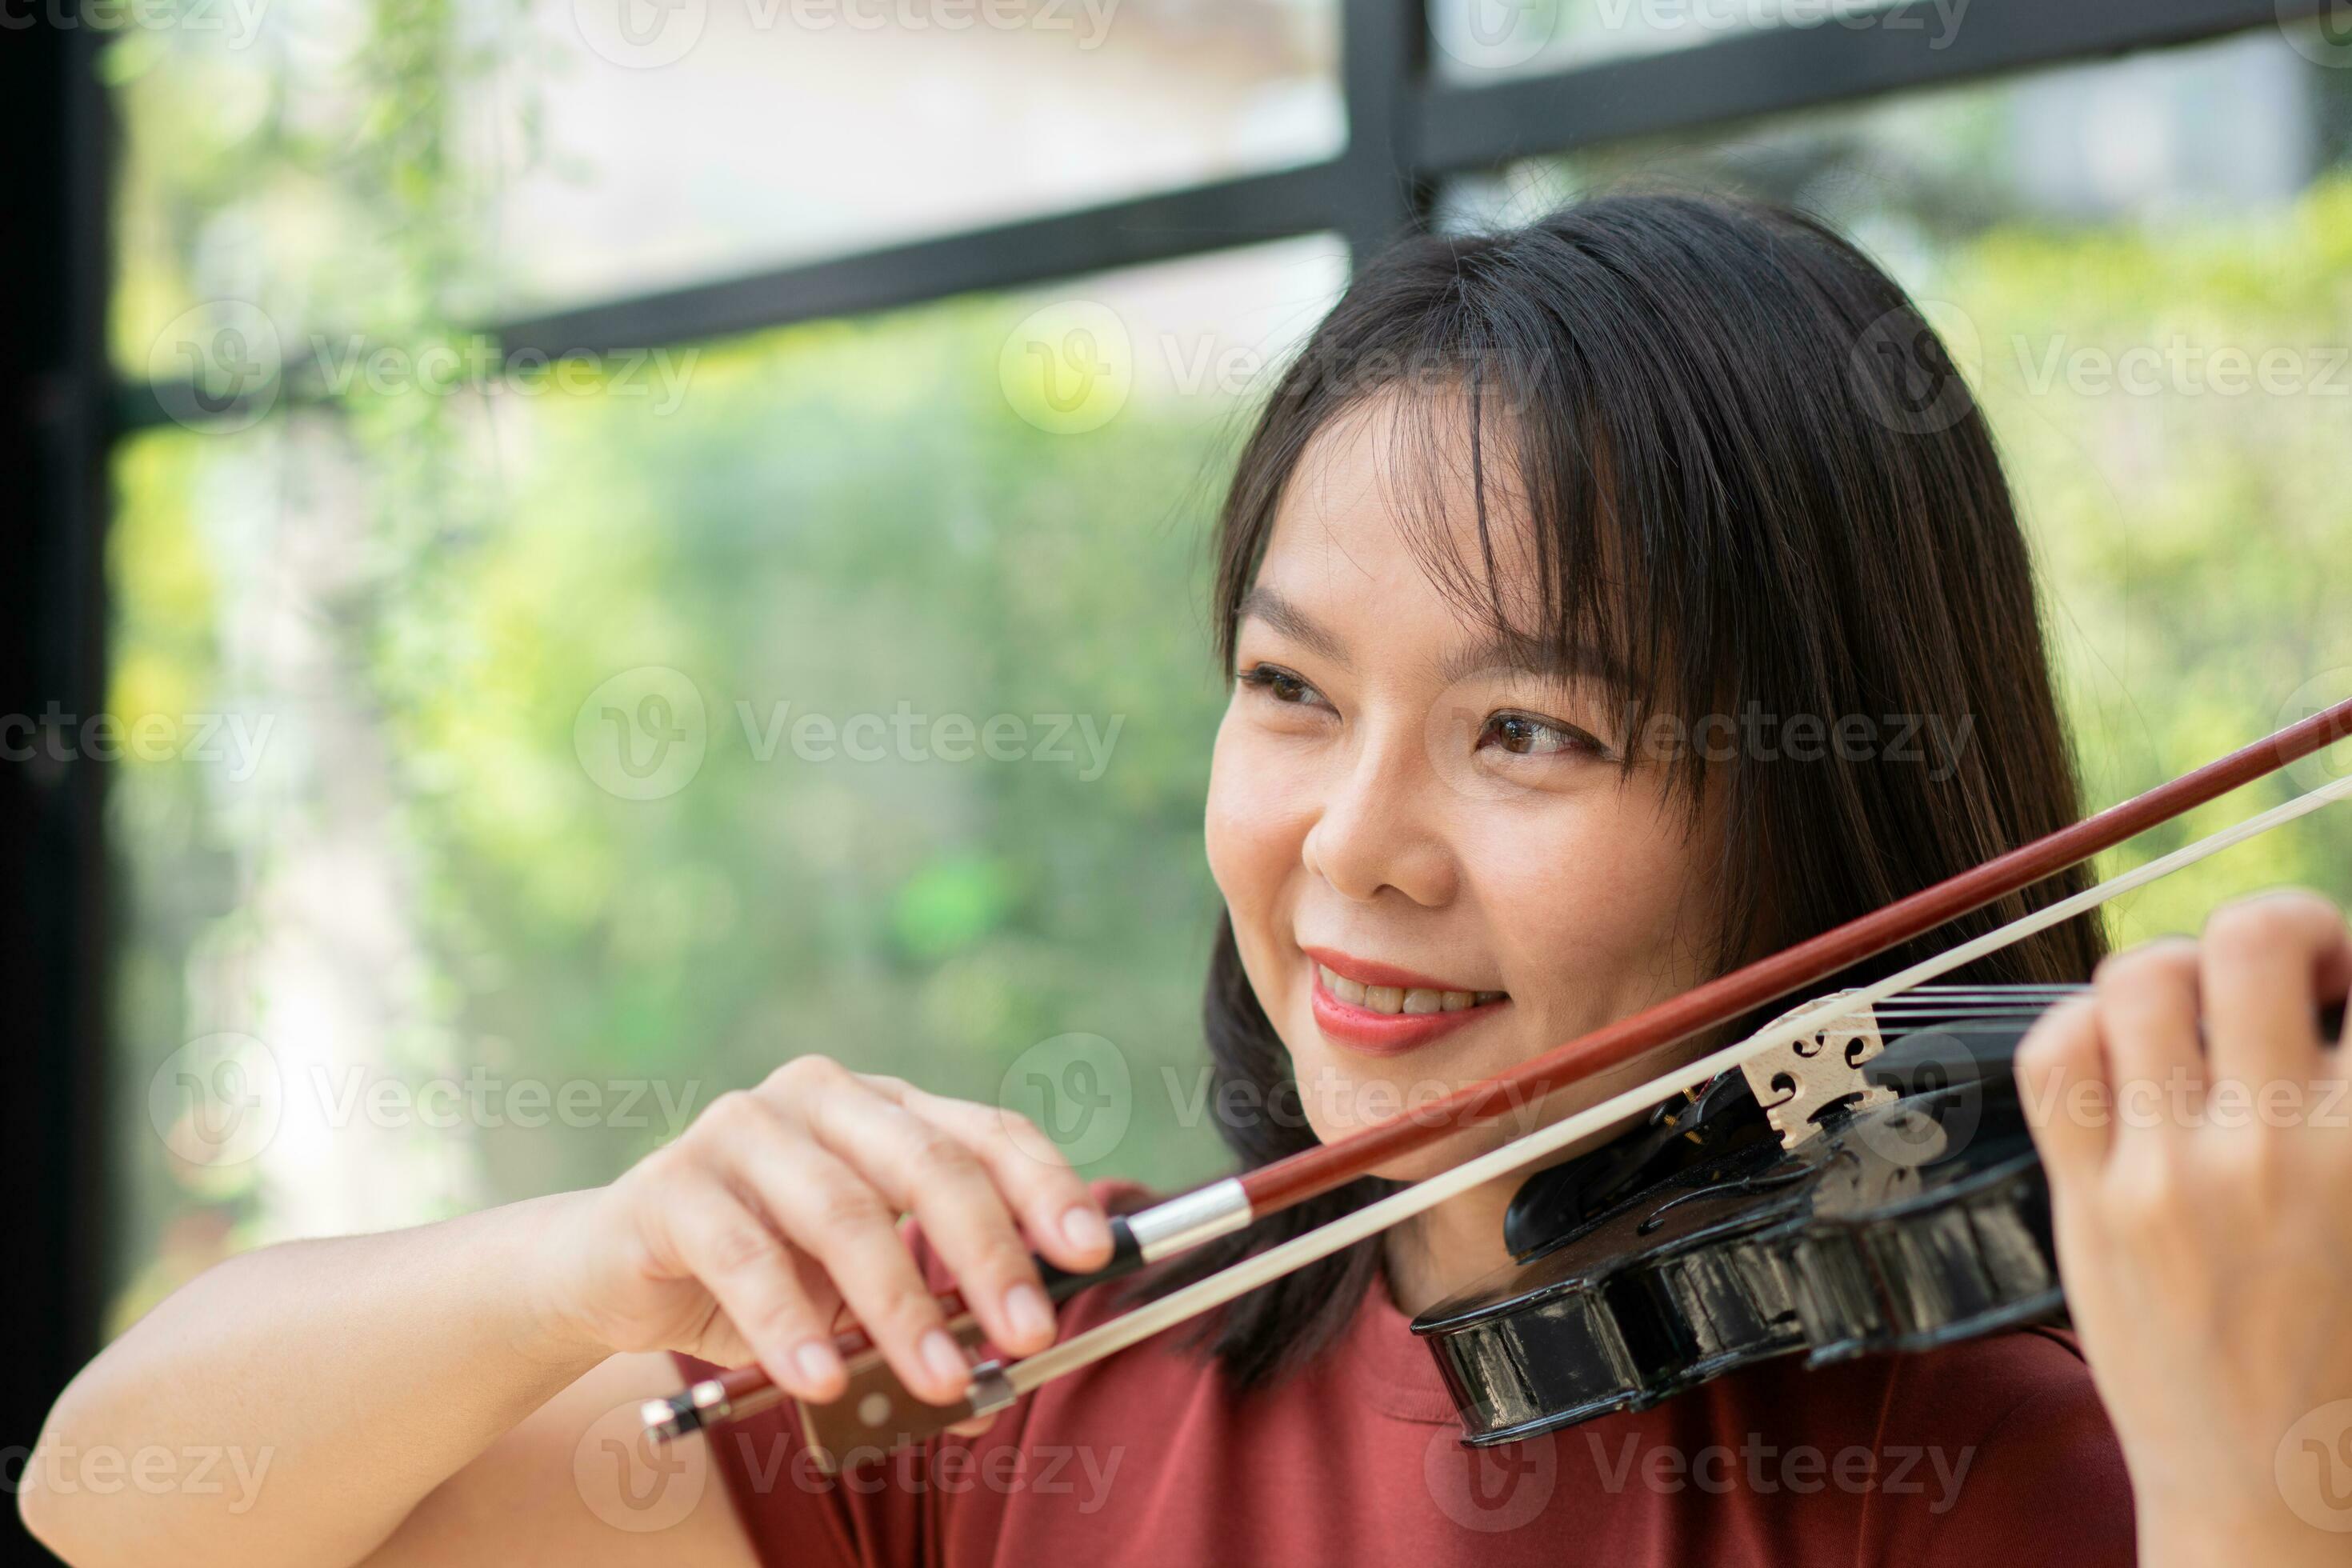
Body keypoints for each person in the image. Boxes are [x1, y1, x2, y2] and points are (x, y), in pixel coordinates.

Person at [23, 194, 2352, 1567]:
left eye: (1528, 731)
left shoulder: (2018, 1466)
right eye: (1290, 690)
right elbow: (121, 1510)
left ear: (1813, 794)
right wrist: (586, 1264)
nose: (1351, 850)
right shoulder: (1054, 1387)